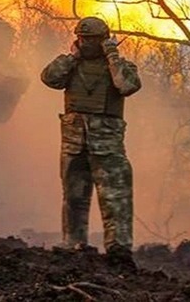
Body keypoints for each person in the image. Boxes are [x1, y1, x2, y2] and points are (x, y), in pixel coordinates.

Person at [40, 16, 142, 268]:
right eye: (82, 38)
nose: (85, 43)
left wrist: (112, 56)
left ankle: (119, 250)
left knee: (115, 199)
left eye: (92, 39)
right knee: (74, 197)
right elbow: (49, 78)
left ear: (104, 40)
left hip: (107, 146)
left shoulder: (120, 67)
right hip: (74, 144)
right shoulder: (70, 65)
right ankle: (73, 244)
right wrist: (72, 57)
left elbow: (126, 85)